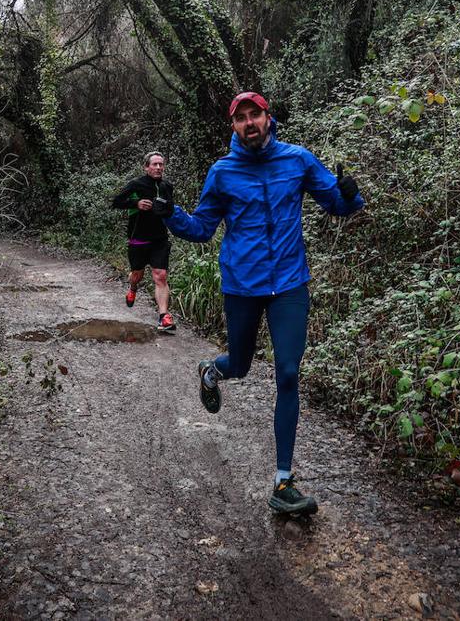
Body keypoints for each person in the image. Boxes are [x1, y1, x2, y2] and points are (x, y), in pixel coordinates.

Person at [162, 91, 363, 515]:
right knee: (240, 364)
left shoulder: (298, 160)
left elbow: (336, 204)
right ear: (234, 127)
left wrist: (351, 194)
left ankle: (283, 482)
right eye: (242, 118)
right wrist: (171, 214)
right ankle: (211, 370)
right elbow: (201, 228)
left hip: (290, 284)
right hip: (242, 285)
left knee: (288, 373)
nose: (250, 123)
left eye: (256, 115)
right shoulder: (222, 172)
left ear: (269, 119)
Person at [110, 151, 176, 333]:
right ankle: (132, 287)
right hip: (138, 239)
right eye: (154, 164)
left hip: (160, 239)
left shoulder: (166, 186)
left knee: (160, 275)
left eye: (161, 164)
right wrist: (136, 203)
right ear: (146, 167)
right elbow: (116, 202)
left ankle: (164, 317)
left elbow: (170, 209)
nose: (158, 167)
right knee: (137, 274)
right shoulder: (136, 184)